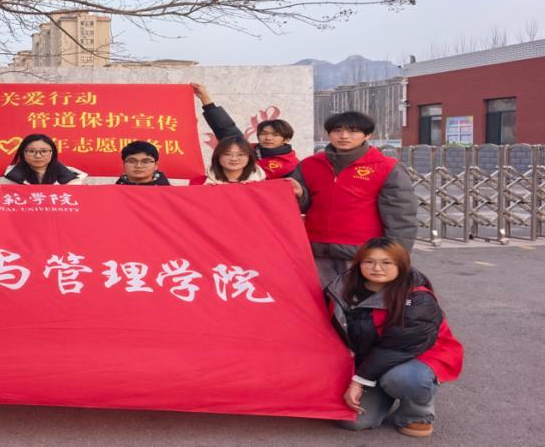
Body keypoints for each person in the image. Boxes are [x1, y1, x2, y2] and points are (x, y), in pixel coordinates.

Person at [326, 238, 463, 437]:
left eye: (386, 262)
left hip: (417, 356)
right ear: (359, 263)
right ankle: (380, 388)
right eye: (369, 261)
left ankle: (416, 414)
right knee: (352, 422)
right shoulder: (341, 288)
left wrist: (358, 382)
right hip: (371, 359)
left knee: (403, 379)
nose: (377, 268)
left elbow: (396, 348)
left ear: (401, 265)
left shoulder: (418, 299)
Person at [289, 111, 418, 286]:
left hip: (363, 253)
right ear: (329, 133)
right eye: (337, 130)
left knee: (358, 300)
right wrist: (299, 195)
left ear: (367, 135)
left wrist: (396, 257)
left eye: (353, 131)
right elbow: (300, 206)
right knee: (318, 300)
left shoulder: (386, 167)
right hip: (316, 250)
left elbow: (401, 218)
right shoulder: (309, 165)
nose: (344, 136)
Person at [191, 82, 299, 178]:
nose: (268, 138)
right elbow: (225, 128)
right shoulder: (247, 148)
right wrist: (205, 99)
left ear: (286, 139)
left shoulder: (292, 165)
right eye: (264, 133)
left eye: (275, 135)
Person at [3, 134, 86, 184]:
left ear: (52, 153)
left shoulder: (71, 180)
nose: (38, 156)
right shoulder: (10, 178)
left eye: (44, 151)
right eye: (31, 151)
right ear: (22, 153)